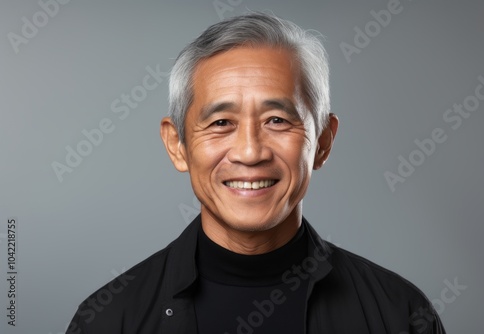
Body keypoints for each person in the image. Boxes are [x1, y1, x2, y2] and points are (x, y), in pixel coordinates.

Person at [66, 12, 445, 334]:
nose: (250, 152)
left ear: (324, 142)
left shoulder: (401, 316)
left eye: (277, 120)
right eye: (220, 122)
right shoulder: (108, 320)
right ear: (176, 145)